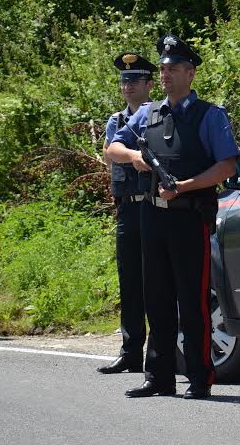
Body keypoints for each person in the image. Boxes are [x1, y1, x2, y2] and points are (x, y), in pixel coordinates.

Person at [107, 34, 239, 400]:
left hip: (189, 219)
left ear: (190, 73)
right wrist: (135, 158)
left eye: (173, 68)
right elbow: (114, 147)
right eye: (163, 69)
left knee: (192, 302)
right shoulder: (147, 113)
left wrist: (184, 186)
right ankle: (159, 377)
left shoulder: (209, 116)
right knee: (156, 299)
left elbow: (227, 165)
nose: (165, 74)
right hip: (152, 217)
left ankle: (199, 377)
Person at [97, 52, 156, 375]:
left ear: (149, 83)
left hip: (153, 205)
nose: (128, 86)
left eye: (134, 80)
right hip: (127, 208)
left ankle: (161, 352)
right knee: (129, 282)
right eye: (124, 81)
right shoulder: (116, 122)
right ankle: (131, 351)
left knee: (157, 282)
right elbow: (111, 156)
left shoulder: (160, 115)